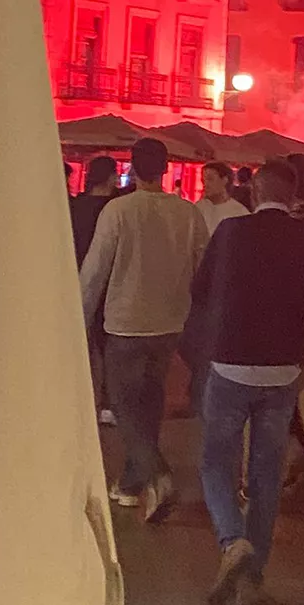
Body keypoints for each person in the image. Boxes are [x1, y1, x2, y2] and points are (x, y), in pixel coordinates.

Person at [187, 160, 304, 605]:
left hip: (230, 361)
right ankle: (254, 573)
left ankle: (232, 540)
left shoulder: (230, 231)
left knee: (215, 462)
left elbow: (201, 288)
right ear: (292, 195)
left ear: (253, 191)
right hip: (284, 366)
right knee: (267, 470)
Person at [80, 138, 209, 522]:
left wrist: (81, 318)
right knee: (150, 402)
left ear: (132, 169)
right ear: (166, 169)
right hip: (170, 321)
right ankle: (132, 482)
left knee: (122, 403)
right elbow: (202, 267)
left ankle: (157, 474)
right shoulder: (188, 213)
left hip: (125, 320)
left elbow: (96, 270)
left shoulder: (119, 211)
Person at [71, 155, 119, 425]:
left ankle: (76, 400)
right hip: (108, 284)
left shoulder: (75, 205)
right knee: (108, 348)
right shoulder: (114, 208)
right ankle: (108, 405)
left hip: (75, 280)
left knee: (80, 346)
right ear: (111, 177)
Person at [197, 161, 250, 236]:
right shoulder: (199, 207)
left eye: (210, 179)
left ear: (224, 180)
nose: (205, 184)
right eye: (203, 180)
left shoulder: (239, 212)